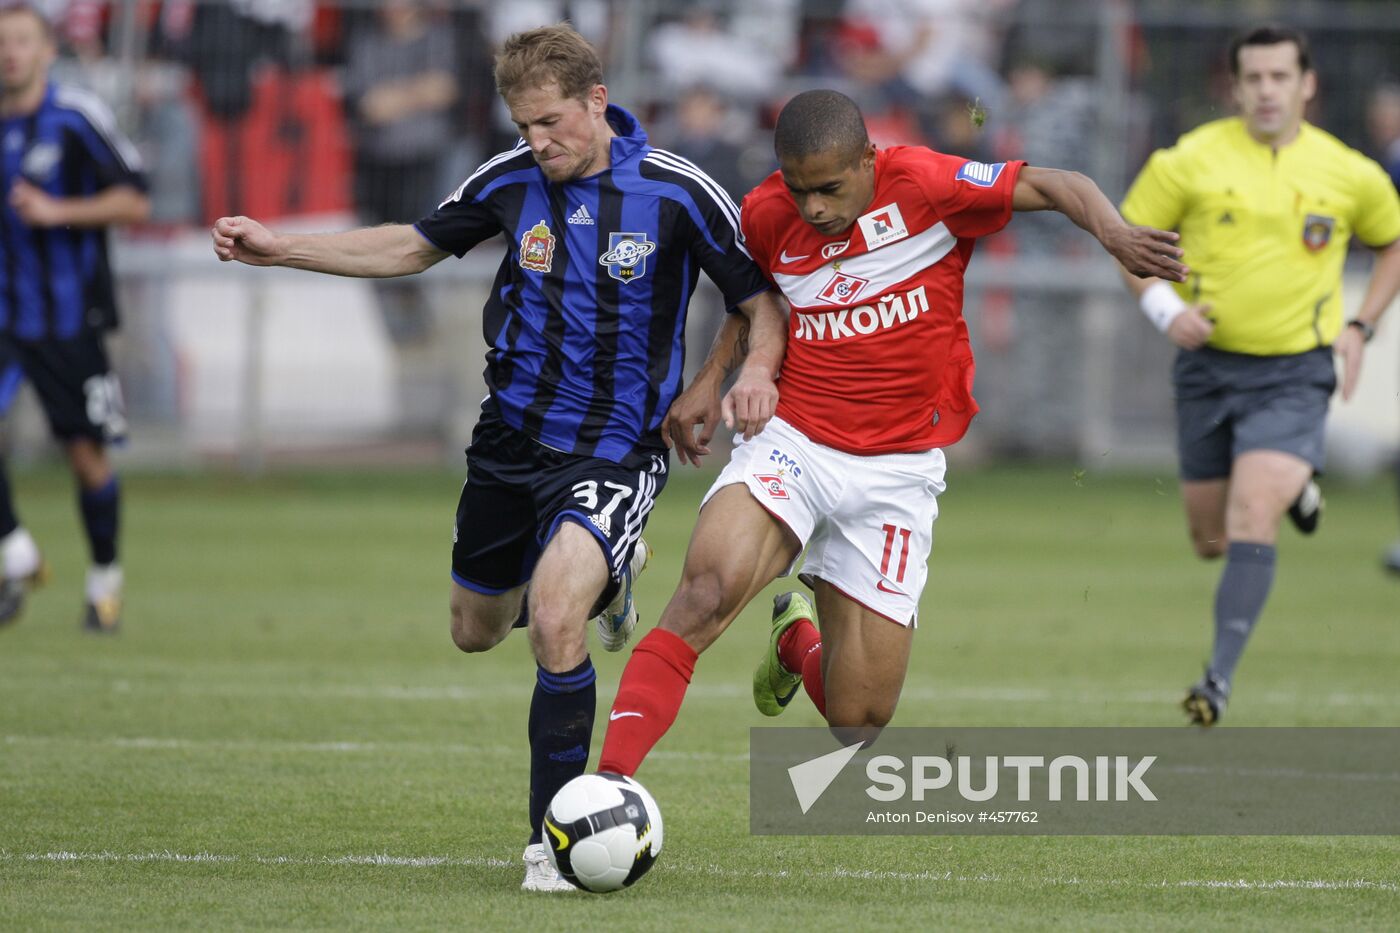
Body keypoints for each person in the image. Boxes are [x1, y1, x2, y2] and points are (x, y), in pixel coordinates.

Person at [211, 23, 786, 891]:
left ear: (597, 102)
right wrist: (282, 247)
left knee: (556, 616)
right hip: (509, 442)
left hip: (616, 450)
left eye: (551, 122)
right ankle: (607, 578)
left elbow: (759, 298)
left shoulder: (676, 190)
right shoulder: (511, 179)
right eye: (524, 126)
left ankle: (553, 841)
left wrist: (719, 380)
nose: (538, 142)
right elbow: (412, 243)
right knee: (475, 630)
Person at [595, 88, 1185, 778]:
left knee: (859, 722)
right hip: (796, 440)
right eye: (798, 187)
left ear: (869, 160)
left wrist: (1112, 232)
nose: (813, 206)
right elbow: (758, 301)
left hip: (898, 471)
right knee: (706, 589)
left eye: (829, 188)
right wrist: (715, 377)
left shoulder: (928, 184)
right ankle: (609, 786)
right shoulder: (766, 212)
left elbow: (1057, 182)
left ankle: (796, 645)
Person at [1118, 26, 1400, 725]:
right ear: (1235, 86)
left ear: (1307, 85)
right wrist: (1164, 309)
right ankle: (1298, 485)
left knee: (1252, 515)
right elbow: (1126, 241)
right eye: (1255, 78)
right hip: (1207, 371)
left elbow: (1392, 241)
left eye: (1281, 77)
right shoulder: (1187, 160)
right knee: (1210, 539)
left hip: (1296, 372)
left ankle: (1215, 680)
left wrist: (1362, 325)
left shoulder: (1350, 172)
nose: (1267, 90)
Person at [0, 4, 148, 632]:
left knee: (86, 459)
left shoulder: (77, 118)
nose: (9, 52)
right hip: (5, 320)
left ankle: (104, 580)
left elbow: (135, 200)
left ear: (46, 50)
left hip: (68, 320)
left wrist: (57, 211)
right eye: (0, 42)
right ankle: (15, 552)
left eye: (22, 41)